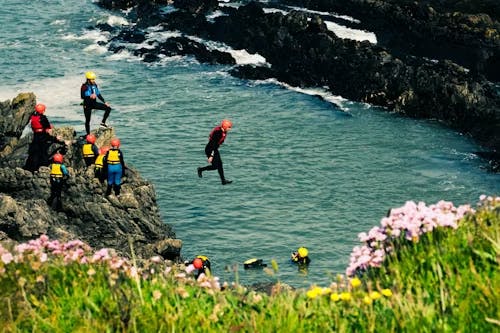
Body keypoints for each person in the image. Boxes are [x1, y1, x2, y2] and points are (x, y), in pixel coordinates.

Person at [24, 103, 66, 172]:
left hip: (35, 136)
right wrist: (56, 138)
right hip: (42, 136)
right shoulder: (43, 118)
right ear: (42, 111)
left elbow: (34, 126)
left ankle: (33, 168)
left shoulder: (33, 117)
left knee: (35, 152)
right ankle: (43, 167)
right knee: (43, 152)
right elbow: (47, 128)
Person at [197, 119, 233, 185]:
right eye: (229, 127)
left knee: (220, 164)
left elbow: (216, 144)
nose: (230, 129)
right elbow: (213, 144)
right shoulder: (218, 132)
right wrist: (211, 156)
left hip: (214, 148)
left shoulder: (223, 132)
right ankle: (200, 169)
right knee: (215, 166)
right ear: (225, 127)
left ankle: (223, 181)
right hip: (210, 149)